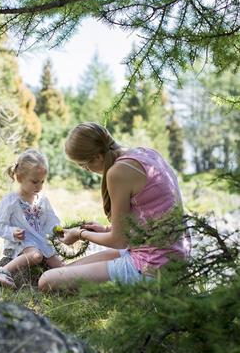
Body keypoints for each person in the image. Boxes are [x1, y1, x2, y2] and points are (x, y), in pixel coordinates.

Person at [38, 122, 190, 291]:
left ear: (97, 157)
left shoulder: (118, 172)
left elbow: (119, 241)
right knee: (63, 272)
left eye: (84, 165)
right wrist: (105, 230)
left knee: (46, 281)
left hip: (153, 266)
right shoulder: (146, 153)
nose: (87, 170)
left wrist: (80, 234)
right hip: (169, 258)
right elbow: (148, 218)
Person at [0, 148, 64, 288]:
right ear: (19, 178)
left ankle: (66, 284)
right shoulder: (11, 200)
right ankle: (3, 271)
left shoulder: (42, 200)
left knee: (59, 264)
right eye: (35, 182)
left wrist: (56, 229)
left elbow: (51, 220)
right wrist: (13, 232)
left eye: (42, 181)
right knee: (36, 256)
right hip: (22, 241)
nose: (39, 186)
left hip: (40, 239)